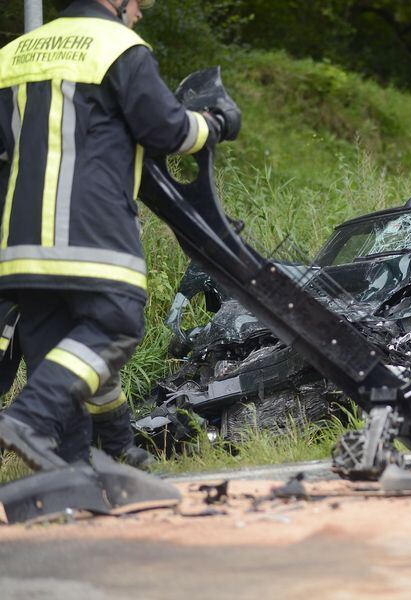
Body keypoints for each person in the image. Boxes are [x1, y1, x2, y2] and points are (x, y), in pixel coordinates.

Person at [0, 0, 240, 472]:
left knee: (62, 362)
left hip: (21, 245)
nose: (139, 14)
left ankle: (74, 480)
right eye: (137, 4)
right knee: (116, 324)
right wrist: (216, 123)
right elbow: (169, 131)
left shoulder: (13, 56)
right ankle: (26, 418)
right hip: (91, 235)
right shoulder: (117, 46)